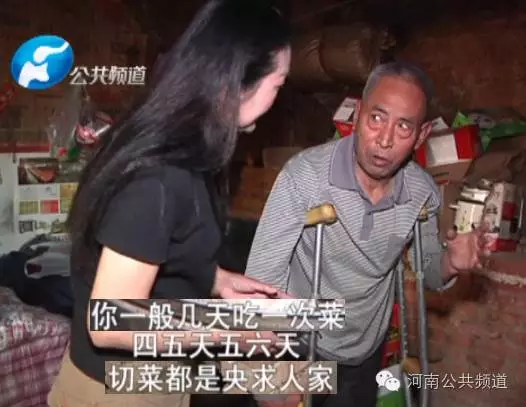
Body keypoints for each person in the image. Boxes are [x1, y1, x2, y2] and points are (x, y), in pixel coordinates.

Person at [47, 1, 291, 406]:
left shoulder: (182, 152)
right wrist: (231, 330)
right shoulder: (160, 176)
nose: (277, 98)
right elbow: (111, 323)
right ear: (238, 80)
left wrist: (215, 280)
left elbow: (157, 249)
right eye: (278, 84)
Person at [245, 61, 494, 407]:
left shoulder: (421, 193)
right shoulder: (304, 176)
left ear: (421, 135)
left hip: (364, 351)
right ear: (358, 114)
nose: (385, 140)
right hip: (302, 343)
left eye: (403, 126)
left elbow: (429, 272)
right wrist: (269, 376)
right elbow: (261, 280)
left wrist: (451, 262)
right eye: (376, 118)